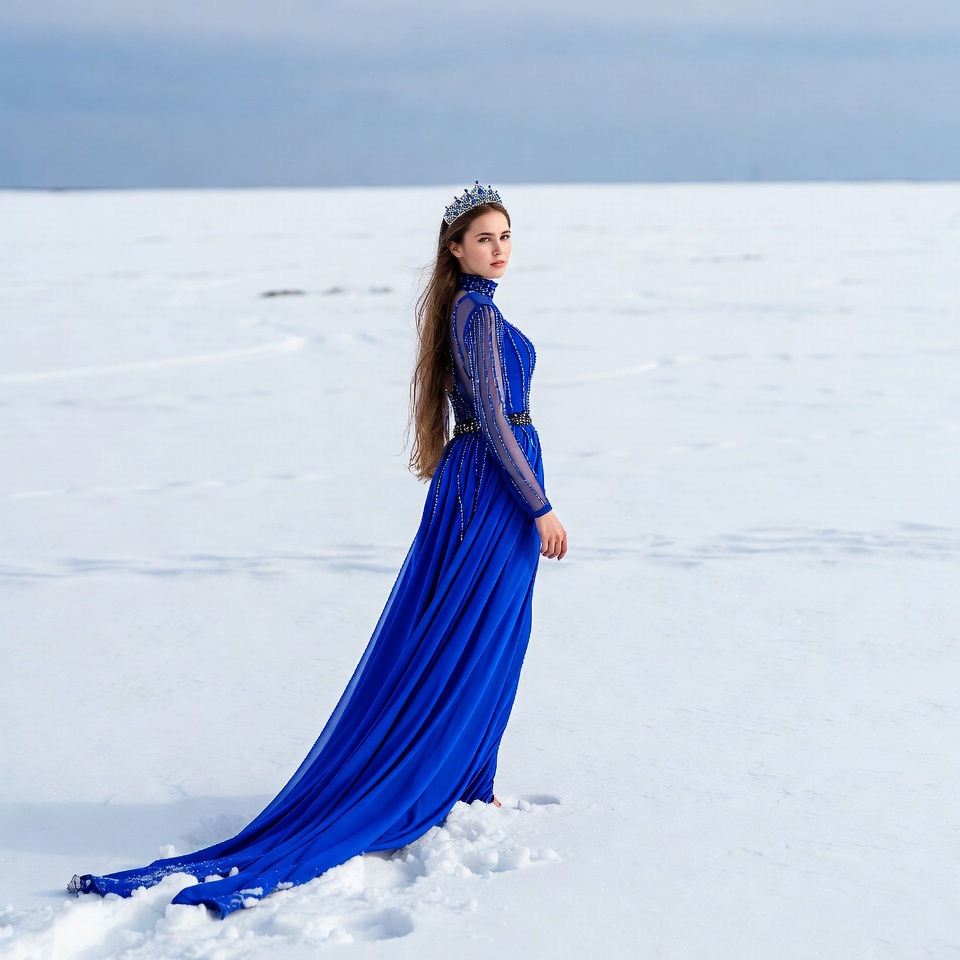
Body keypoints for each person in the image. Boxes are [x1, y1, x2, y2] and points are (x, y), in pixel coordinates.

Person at [68, 181, 567, 918]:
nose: (499, 249)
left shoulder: (471, 311)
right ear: (456, 248)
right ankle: (441, 775)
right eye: (485, 237)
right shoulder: (477, 317)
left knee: (481, 634)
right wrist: (542, 506)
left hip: (481, 486)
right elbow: (495, 417)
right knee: (479, 634)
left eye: (506, 236)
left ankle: (466, 774)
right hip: (495, 489)